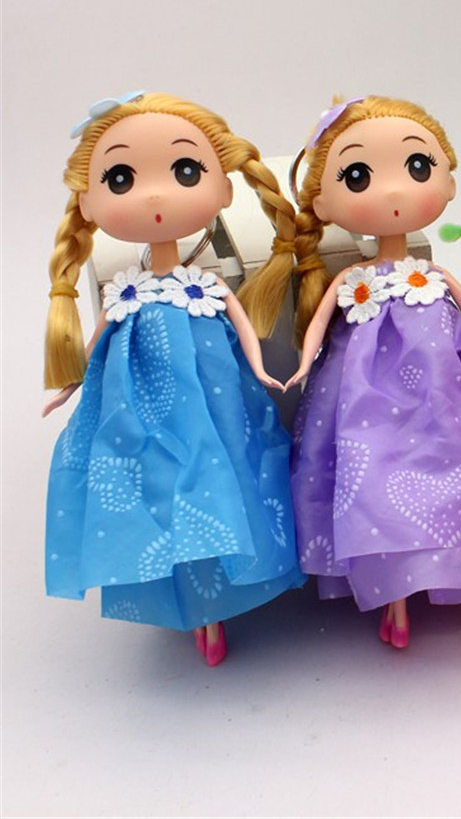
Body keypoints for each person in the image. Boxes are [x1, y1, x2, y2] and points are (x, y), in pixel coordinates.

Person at [44, 91, 305, 666]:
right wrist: (70, 387)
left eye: (186, 171)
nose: (156, 196)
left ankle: (216, 604)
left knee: (223, 477)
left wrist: (262, 370)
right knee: (158, 490)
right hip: (143, 408)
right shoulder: (125, 292)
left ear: (225, 189)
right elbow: (95, 347)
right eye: (120, 179)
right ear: (86, 203)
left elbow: (245, 332)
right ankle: (193, 605)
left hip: (216, 401)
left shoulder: (206, 285)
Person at [282, 94, 461, 648]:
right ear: (321, 202)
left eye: (417, 167)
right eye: (359, 176)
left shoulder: (432, 275)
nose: (393, 192)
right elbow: (317, 328)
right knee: (370, 480)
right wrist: (303, 366)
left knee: (445, 470)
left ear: (448, 181)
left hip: (439, 394)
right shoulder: (352, 280)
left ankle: (417, 582)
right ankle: (389, 592)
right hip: (363, 398)